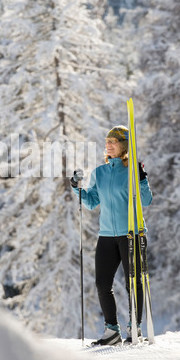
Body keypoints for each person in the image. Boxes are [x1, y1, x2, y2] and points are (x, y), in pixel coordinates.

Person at [70, 126, 153, 345]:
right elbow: (91, 202)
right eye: (107, 141)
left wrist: (142, 179)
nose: (108, 145)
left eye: (113, 141)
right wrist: (76, 187)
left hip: (131, 234)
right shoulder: (100, 172)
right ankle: (112, 330)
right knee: (102, 283)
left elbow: (146, 201)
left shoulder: (133, 170)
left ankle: (134, 327)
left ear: (124, 145)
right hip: (106, 235)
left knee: (133, 283)